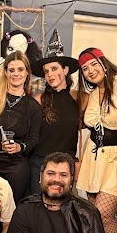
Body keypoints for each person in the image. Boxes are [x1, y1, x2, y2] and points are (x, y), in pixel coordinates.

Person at [76, 48, 117, 233]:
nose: (90, 71)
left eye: (94, 64)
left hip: (115, 158)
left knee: (105, 214)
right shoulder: (94, 92)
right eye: (85, 69)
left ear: (104, 62)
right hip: (94, 157)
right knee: (94, 216)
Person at [0, 51, 41, 203]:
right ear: (5, 72)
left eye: (20, 69)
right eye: (11, 70)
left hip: (16, 168)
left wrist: (20, 147)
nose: (16, 74)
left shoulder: (32, 106)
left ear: (27, 73)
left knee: (12, 210)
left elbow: (34, 139)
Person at [29, 29, 79, 195]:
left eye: (54, 68)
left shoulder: (78, 99)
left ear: (65, 70)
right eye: (46, 71)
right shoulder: (39, 100)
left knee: (64, 208)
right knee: (38, 206)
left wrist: (78, 161)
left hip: (66, 166)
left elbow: (82, 134)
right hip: (40, 164)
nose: (50, 74)